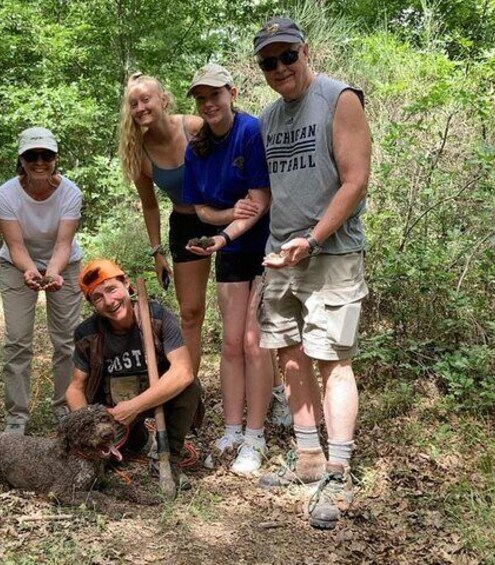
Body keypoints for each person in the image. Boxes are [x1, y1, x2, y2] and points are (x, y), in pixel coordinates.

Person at [253, 17, 371, 530]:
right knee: (289, 354)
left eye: (287, 56)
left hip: (330, 253)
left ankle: (339, 469)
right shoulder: (266, 118)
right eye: (268, 62)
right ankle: (307, 458)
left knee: (334, 360)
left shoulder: (338, 98)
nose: (280, 68)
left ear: (306, 51)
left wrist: (314, 238)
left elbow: (356, 180)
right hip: (281, 256)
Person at [182, 63, 274, 475]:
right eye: (201, 98)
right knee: (232, 342)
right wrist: (222, 223)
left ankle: (256, 435)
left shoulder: (250, 131)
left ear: (231, 93)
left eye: (214, 95)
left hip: (266, 245)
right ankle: (233, 428)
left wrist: (222, 236)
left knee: (256, 341)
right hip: (230, 246)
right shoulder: (196, 147)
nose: (208, 104)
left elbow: (260, 201)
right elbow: (199, 208)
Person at [66, 259, 202, 488]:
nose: (109, 302)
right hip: (112, 409)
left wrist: (135, 406)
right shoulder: (87, 334)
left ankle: (169, 456)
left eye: (111, 289)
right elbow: (75, 388)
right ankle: (135, 439)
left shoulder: (157, 317)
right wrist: (87, 424)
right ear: (92, 305)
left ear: (126, 284)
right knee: (100, 461)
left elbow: (183, 370)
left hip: (155, 400)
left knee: (190, 387)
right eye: (98, 297)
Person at [117, 73, 213, 378]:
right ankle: (189, 389)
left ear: (164, 99)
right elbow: (150, 205)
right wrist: (157, 252)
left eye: (147, 99)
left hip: (229, 216)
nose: (141, 107)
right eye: (134, 103)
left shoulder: (195, 128)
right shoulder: (139, 152)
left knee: (247, 312)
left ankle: (275, 388)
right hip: (186, 224)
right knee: (190, 312)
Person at [0, 127, 83, 432]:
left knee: (68, 340)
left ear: (56, 158)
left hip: (65, 264)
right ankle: (16, 417)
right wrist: (30, 271)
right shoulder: (5, 194)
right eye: (32, 155)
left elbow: (63, 244)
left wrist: (54, 272)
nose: (40, 161)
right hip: (16, 264)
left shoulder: (71, 193)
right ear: (21, 159)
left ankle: (65, 408)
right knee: (18, 340)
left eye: (46, 155)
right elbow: (16, 246)